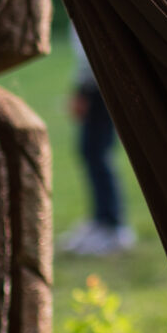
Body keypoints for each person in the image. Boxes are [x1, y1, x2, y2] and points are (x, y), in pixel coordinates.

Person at [62, 28, 135, 256]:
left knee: (96, 152)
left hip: (101, 83)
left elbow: (93, 46)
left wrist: (83, 89)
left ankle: (111, 226)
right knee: (93, 152)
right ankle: (101, 219)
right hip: (99, 82)